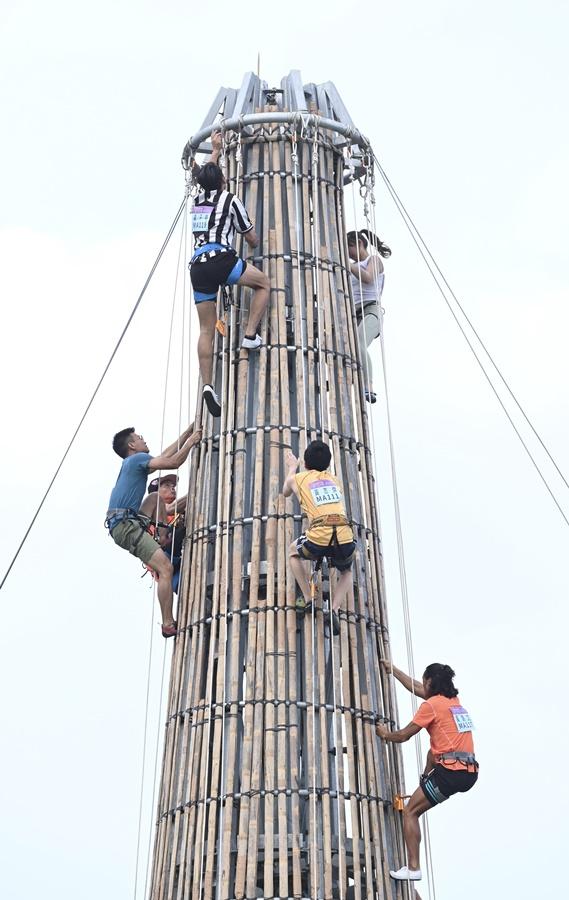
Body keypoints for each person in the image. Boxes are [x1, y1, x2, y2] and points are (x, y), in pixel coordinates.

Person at [376, 661, 478, 882]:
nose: (422, 685)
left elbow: (403, 736)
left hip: (451, 772)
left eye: (424, 681)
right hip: (468, 773)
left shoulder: (431, 707)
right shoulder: (453, 703)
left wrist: (384, 734)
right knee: (434, 753)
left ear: (430, 682)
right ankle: (413, 867)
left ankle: (413, 869)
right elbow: (417, 689)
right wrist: (393, 671)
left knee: (411, 811)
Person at [190, 154, 270, 418]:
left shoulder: (197, 203)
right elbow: (252, 239)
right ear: (224, 180)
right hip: (221, 259)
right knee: (263, 283)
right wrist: (253, 236)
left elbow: (206, 177)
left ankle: (208, 384)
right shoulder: (231, 199)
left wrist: (214, 151)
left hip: (198, 265)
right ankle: (249, 334)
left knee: (205, 330)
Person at [105, 424, 201, 637]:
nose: (143, 439)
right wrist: (192, 442)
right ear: (132, 445)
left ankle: (162, 535)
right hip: (125, 525)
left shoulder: (134, 463)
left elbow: (165, 455)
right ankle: (168, 624)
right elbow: (174, 461)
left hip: (126, 520)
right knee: (165, 569)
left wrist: (187, 432)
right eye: (139, 437)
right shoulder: (135, 460)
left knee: (155, 498)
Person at [283, 441, 356, 626]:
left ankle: (309, 599)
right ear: (328, 464)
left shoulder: (298, 478)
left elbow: (285, 492)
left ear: (305, 463)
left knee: (293, 552)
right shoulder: (334, 479)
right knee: (347, 571)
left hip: (318, 536)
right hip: (344, 535)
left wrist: (293, 467)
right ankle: (334, 609)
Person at [347, 229, 391, 404]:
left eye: (347, 249)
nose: (347, 255)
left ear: (358, 243)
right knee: (351, 349)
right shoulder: (351, 267)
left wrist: (347, 264)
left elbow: (368, 278)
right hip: (354, 314)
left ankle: (369, 385)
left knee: (359, 343)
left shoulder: (373, 260)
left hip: (371, 310)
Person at [139, 474, 186, 593]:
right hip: (163, 557)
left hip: (176, 563)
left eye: (173, 486)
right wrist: (194, 491)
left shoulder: (178, 512)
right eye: (166, 485)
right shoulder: (154, 509)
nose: (172, 488)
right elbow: (170, 508)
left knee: (186, 587)